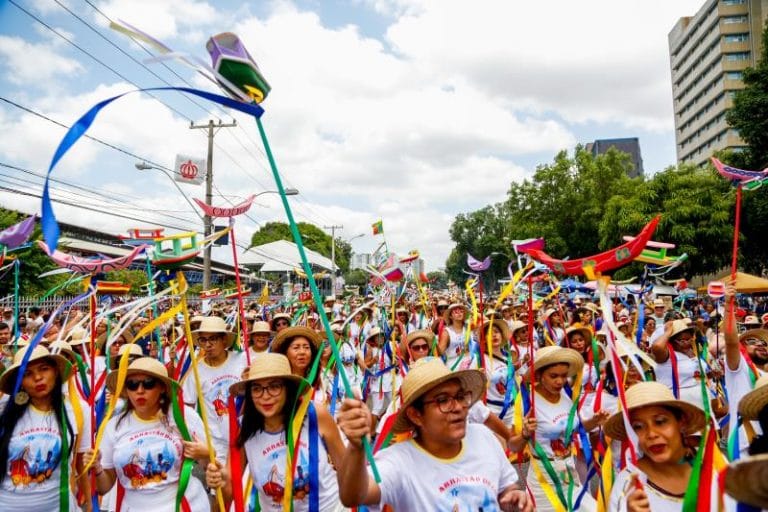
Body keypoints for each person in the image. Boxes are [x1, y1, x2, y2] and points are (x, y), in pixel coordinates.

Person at [336, 357, 532, 511]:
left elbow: (505, 489)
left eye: (460, 396)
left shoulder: (483, 436)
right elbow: (354, 495)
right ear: (416, 415)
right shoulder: (398, 462)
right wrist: (356, 446)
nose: (457, 408)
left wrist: (514, 498)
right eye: (442, 400)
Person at [205, 353, 345, 511]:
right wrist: (221, 481)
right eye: (257, 389)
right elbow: (230, 485)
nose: (265, 396)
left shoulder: (315, 415)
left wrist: (356, 444)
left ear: (288, 389)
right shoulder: (244, 428)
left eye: (274, 387)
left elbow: (346, 470)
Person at [87, 357, 211, 511]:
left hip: (182, 505)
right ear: (125, 389)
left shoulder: (184, 416)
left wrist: (206, 454)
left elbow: (211, 467)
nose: (140, 390)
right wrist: (97, 467)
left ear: (163, 388)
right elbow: (104, 487)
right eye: (132, 385)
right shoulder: (114, 427)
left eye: (148, 383)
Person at [509, 345, 608, 512]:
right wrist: (525, 434)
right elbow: (512, 445)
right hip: (543, 482)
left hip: (570, 475)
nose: (560, 381)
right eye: (553, 376)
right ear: (539, 374)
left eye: (563, 376)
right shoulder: (528, 401)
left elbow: (575, 430)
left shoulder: (566, 395)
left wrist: (595, 421)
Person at [0, 345, 91, 511]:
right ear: (19, 382)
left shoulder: (76, 410)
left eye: (44, 369)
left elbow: (80, 461)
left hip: (59, 505)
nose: (37, 377)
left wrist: (90, 504)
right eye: (27, 374)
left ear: (55, 372)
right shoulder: (3, 413)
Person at [606, 381, 707, 512]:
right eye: (638, 427)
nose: (651, 434)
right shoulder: (628, 487)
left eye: (660, 422)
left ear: (681, 422)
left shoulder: (711, 463)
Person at [182, 316, 247, 464]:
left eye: (213, 339)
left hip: (246, 437)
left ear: (224, 340)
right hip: (217, 444)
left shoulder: (242, 360)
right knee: (219, 484)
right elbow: (188, 407)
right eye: (203, 340)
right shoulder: (195, 371)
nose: (208, 344)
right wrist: (197, 441)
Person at [438, 302, 468, 369]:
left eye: (461, 311)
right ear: (450, 316)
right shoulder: (447, 332)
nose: (459, 313)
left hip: (469, 365)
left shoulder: (468, 329)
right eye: (456, 312)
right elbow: (439, 352)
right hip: (453, 366)